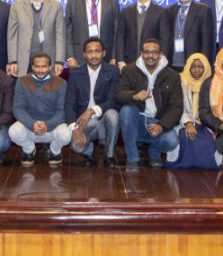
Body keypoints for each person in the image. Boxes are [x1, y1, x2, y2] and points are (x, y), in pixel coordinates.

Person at [114, 38, 183, 171]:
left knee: (172, 142)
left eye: (154, 52)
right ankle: (132, 158)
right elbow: (118, 94)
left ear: (160, 54)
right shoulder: (129, 70)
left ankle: (154, 151)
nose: (150, 56)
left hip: (158, 121)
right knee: (126, 111)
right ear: (141, 53)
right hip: (137, 120)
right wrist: (134, 96)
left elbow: (176, 107)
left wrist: (162, 126)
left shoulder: (173, 76)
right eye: (147, 52)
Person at [64, 37, 120, 167]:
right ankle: (88, 152)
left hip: (104, 117)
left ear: (104, 53)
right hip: (85, 122)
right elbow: (69, 103)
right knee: (76, 147)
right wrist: (73, 128)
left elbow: (114, 100)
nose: (94, 55)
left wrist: (92, 110)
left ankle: (109, 155)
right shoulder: (75, 74)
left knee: (113, 114)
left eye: (97, 51)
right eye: (90, 52)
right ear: (84, 54)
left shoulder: (113, 71)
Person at [10, 53, 71, 167]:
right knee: (13, 132)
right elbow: (18, 108)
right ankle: (29, 149)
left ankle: (55, 151)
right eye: (37, 66)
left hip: (52, 127)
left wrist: (47, 124)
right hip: (30, 127)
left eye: (44, 66)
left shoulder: (61, 83)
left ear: (50, 67)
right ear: (32, 67)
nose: (40, 70)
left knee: (67, 134)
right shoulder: (22, 81)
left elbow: (62, 111)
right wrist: (32, 123)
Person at [6, 0, 65, 77]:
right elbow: (12, 37)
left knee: (48, 87)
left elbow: (60, 36)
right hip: (24, 60)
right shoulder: (17, 6)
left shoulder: (56, 6)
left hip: (48, 60)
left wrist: (59, 61)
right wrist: (13, 61)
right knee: (24, 87)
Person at [169, 53, 218, 169]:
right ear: (188, 68)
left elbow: (215, 110)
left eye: (200, 67)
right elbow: (176, 107)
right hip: (183, 122)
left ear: (206, 68)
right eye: (193, 67)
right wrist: (188, 123)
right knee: (186, 136)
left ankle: (203, 165)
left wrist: (215, 129)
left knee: (207, 141)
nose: (196, 70)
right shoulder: (179, 82)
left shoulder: (213, 84)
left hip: (205, 123)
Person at [63, 0, 119, 68]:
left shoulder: (112, 1)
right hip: (79, 56)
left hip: (107, 56)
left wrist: (114, 56)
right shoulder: (72, 2)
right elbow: (67, 31)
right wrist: (70, 57)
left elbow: (117, 31)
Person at [116, 0, 170, 67]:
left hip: (153, 60)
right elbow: (120, 36)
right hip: (129, 61)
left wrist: (161, 59)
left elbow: (164, 39)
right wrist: (120, 60)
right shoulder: (126, 11)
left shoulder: (161, 11)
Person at [164, 0, 213, 71]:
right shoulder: (169, 11)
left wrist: (204, 63)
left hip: (194, 64)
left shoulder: (203, 10)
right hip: (172, 62)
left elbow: (206, 41)